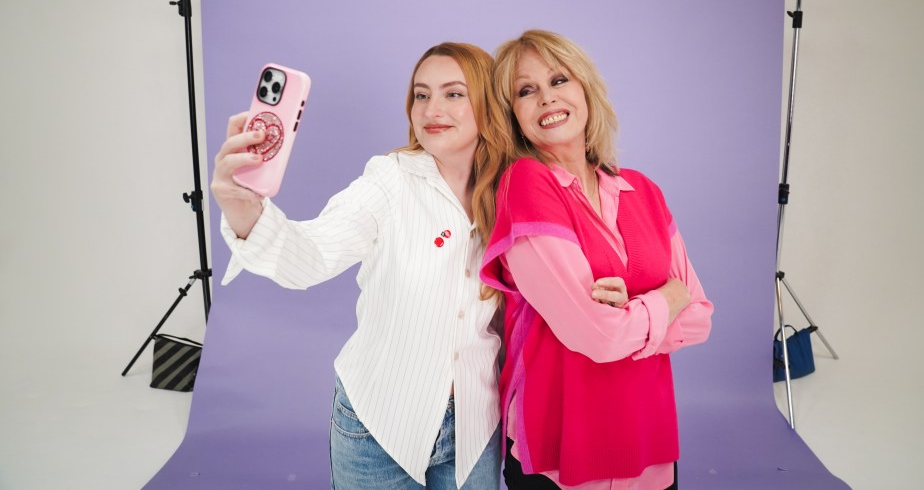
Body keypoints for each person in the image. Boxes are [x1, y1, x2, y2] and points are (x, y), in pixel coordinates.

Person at [210, 43, 513, 489]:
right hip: (379, 425)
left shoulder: (512, 189)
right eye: (421, 94)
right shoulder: (388, 180)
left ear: (488, 105)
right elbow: (310, 256)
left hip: (474, 426)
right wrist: (244, 209)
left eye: (453, 94)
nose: (431, 109)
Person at [480, 30, 714, 490]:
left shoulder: (643, 191)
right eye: (526, 91)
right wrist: (668, 295)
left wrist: (634, 310)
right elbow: (598, 337)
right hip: (560, 452)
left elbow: (701, 318)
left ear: (585, 90)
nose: (546, 99)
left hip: (647, 445)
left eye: (559, 80)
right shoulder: (526, 184)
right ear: (514, 116)